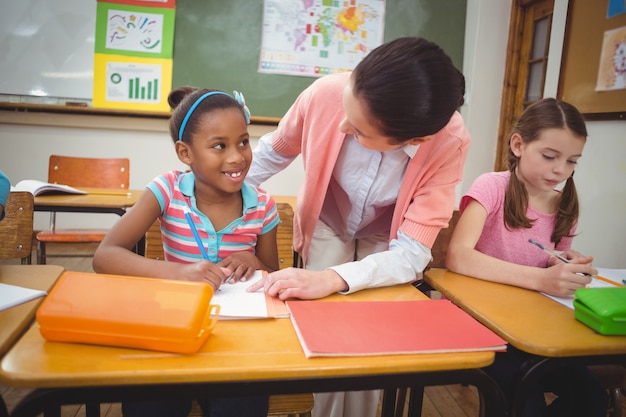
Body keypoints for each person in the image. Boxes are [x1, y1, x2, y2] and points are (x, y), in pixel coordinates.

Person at [247, 37, 469, 417]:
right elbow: (271, 153)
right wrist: (198, 193)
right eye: (347, 108)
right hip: (327, 220)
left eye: (360, 131)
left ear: (415, 140)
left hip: (390, 237)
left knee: (374, 339)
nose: (343, 124)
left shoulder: (448, 141)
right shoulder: (327, 93)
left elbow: (412, 252)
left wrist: (333, 278)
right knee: (326, 335)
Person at [93, 86, 280, 417]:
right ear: (185, 153)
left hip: (237, 339)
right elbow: (106, 256)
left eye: (244, 142)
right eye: (219, 146)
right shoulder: (166, 190)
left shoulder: (263, 205)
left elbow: (273, 274)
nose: (237, 156)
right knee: (149, 399)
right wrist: (178, 272)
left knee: (242, 401)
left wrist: (256, 262)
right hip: (173, 328)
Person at [446, 98, 608, 417]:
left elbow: (545, 256)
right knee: (523, 400)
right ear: (518, 144)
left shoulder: (564, 203)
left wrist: (560, 262)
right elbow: (458, 256)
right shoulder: (492, 187)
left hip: (536, 329)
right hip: (485, 324)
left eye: (572, 161)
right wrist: (541, 278)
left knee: (593, 399)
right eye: (550, 157)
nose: (561, 170)